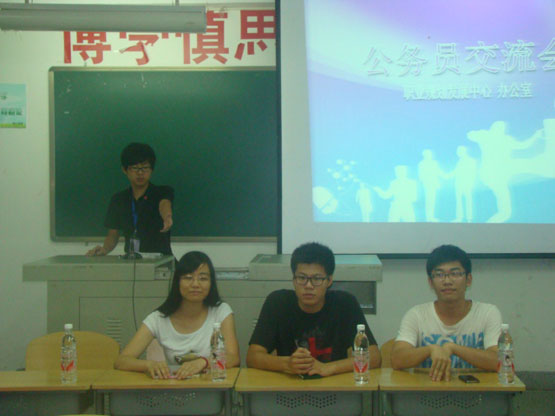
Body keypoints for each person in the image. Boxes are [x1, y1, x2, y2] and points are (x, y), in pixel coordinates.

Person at [246, 242, 381, 377]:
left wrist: (328, 368)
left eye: (317, 279)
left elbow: (374, 357)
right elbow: (252, 357)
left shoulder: (345, 304)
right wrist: (287, 364)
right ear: (293, 279)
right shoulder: (277, 303)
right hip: (291, 385)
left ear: (329, 281)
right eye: (302, 278)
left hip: (335, 384)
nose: (308, 286)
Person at [114, 251, 240, 379]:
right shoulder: (158, 318)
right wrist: (149, 365)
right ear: (177, 282)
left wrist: (205, 362)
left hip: (210, 386)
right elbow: (122, 361)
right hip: (174, 386)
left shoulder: (221, 311)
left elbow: (233, 358)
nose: (195, 284)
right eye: (188, 278)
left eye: (203, 278)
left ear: (211, 283)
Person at [391, 244, 502, 381]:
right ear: (430, 282)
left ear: (468, 280)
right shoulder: (416, 315)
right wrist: (430, 349)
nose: (447, 281)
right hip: (427, 391)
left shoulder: (488, 313)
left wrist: (453, 348)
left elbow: (499, 361)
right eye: (439, 275)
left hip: (476, 391)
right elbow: (397, 359)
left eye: (455, 274)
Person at [86, 143, 174, 256]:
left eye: (145, 168)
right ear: (124, 170)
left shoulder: (162, 191)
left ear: (152, 169)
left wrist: (167, 217)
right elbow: (113, 234)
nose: (140, 173)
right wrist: (104, 249)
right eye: (135, 168)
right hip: (132, 261)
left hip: (161, 260)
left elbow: (164, 204)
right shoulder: (118, 199)